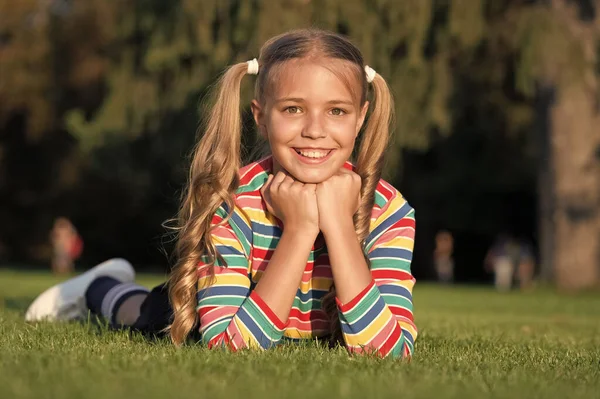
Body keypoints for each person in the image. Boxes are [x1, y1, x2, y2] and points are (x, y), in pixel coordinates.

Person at [25, 29, 417, 359]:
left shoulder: (389, 212)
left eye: (336, 111)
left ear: (361, 117)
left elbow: (390, 350)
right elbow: (230, 345)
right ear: (260, 117)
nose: (315, 130)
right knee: (150, 316)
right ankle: (100, 286)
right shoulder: (232, 202)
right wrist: (299, 230)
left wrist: (338, 226)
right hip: (211, 307)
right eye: (294, 109)